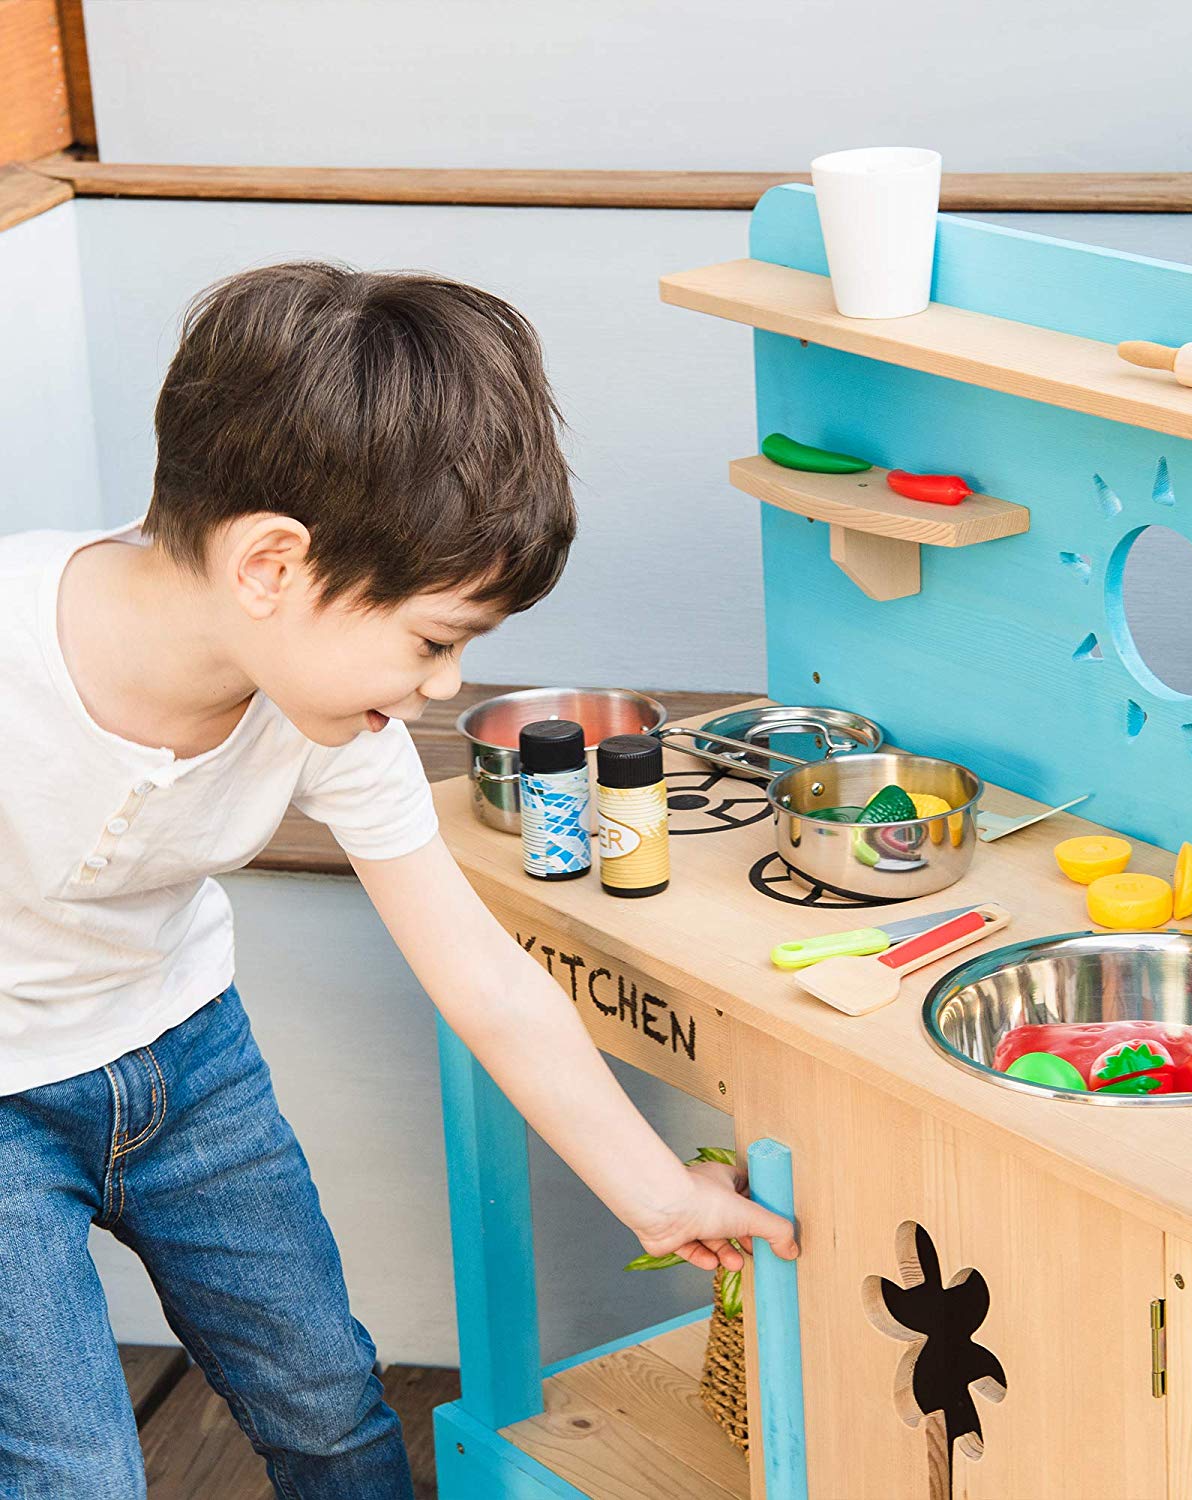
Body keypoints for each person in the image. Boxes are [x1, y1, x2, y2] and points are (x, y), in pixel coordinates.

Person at [0, 262, 797, 1498]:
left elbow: (483, 976)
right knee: (73, 1473)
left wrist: (656, 1193)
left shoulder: (328, 717)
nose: (442, 686)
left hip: (188, 1062)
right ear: (271, 565)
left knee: (327, 1404)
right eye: (435, 638)